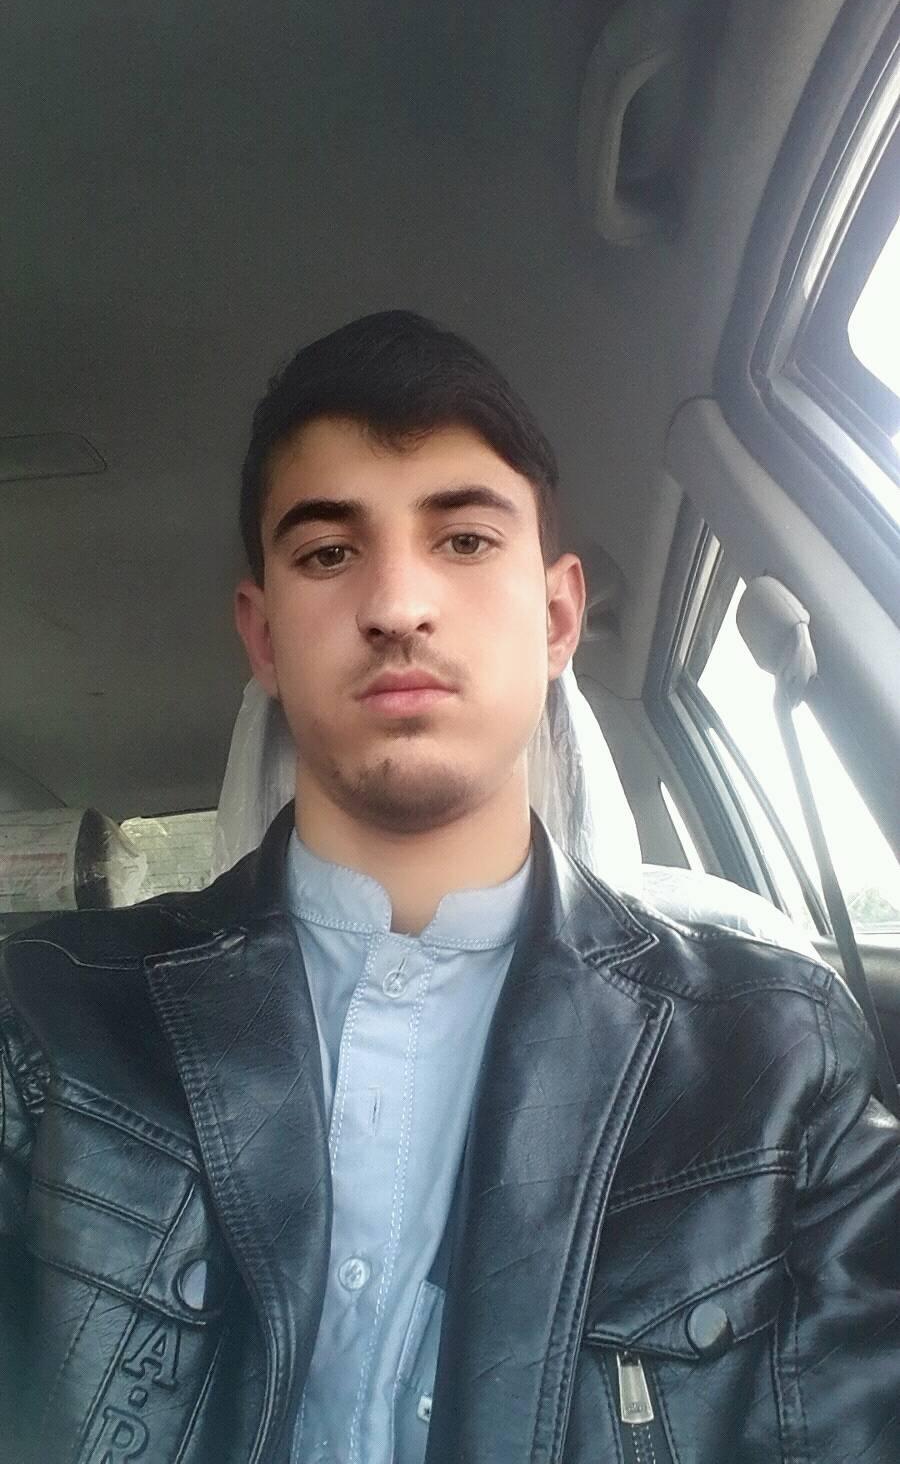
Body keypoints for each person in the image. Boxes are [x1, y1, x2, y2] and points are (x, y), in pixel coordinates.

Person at [1, 310, 898, 1464]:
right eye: (329, 553)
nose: (397, 604)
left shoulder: (773, 1062)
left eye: (465, 540)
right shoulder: (50, 1023)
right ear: (262, 637)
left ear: (559, 616)